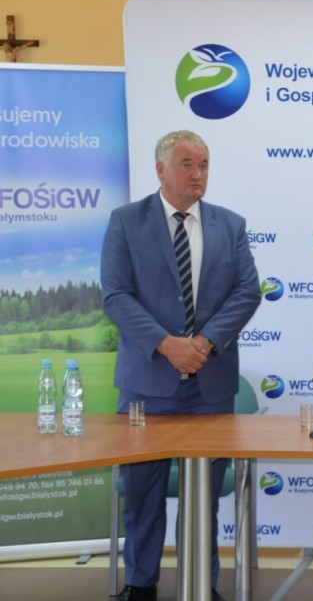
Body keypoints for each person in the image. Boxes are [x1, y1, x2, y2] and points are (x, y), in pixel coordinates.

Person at [101, 130, 262, 601]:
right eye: (187, 164)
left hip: (210, 386)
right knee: (142, 496)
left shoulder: (229, 224)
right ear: (160, 170)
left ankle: (200, 585)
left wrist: (204, 343)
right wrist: (166, 344)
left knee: (203, 499)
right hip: (146, 385)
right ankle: (141, 585)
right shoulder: (126, 221)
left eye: (204, 164)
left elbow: (247, 292)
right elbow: (116, 295)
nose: (198, 174)